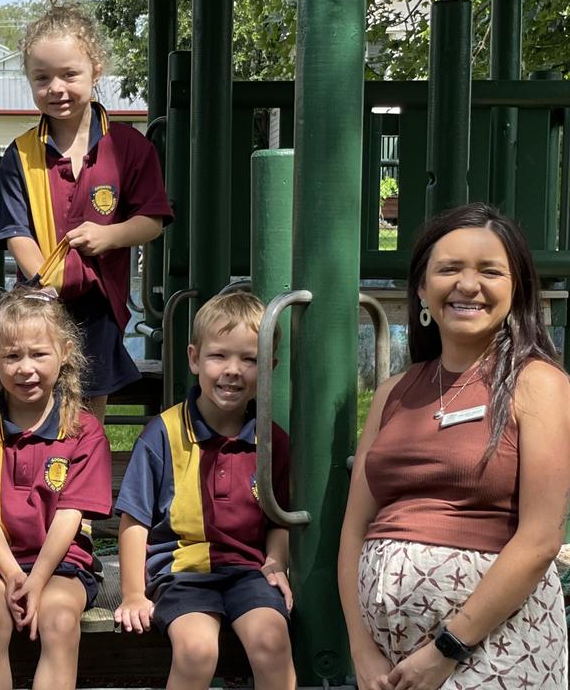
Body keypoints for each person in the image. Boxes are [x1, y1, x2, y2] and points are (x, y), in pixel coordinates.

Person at [339, 204, 570, 690]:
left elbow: (541, 539)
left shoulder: (538, 385)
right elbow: (354, 529)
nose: (468, 285)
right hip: (388, 661)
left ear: (517, 289)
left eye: (490, 271)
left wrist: (448, 648)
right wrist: (361, 649)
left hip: (495, 645)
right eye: (448, 269)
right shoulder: (393, 393)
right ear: (423, 288)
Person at [0, 0, 172, 421]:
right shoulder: (20, 154)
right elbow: (15, 230)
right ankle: (34, 472)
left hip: (99, 301)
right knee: (33, 397)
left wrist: (109, 236)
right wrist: (44, 283)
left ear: (95, 70)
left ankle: (86, 472)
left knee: (89, 405)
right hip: (38, 304)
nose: (56, 88)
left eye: (69, 74)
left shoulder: (129, 146)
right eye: (42, 78)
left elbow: (153, 220)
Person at [113, 291, 294, 690]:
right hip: (182, 573)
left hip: (247, 572)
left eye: (250, 360)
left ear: (269, 368)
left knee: (272, 643)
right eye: (219, 357)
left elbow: (280, 518)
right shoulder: (164, 433)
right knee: (197, 650)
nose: (233, 370)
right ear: (195, 358)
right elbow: (134, 520)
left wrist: (275, 562)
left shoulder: (271, 440)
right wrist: (131, 593)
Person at [0, 288, 112, 690]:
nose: (25, 368)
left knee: (60, 621)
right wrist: (11, 574)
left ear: (64, 353)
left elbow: (69, 516)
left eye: (39, 354)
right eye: (12, 356)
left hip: (62, 563)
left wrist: (38, 579)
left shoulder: (83, 429)